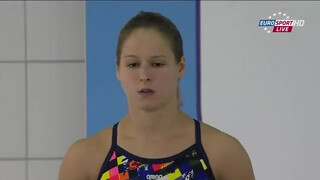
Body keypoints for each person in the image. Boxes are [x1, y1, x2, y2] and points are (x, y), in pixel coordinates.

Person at [59, 11, 255, 180]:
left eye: (157, 64)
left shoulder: (222, 154)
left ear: (181, 67)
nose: (144, 76)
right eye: (133, 64)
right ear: (118, 69)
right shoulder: (86, 158)